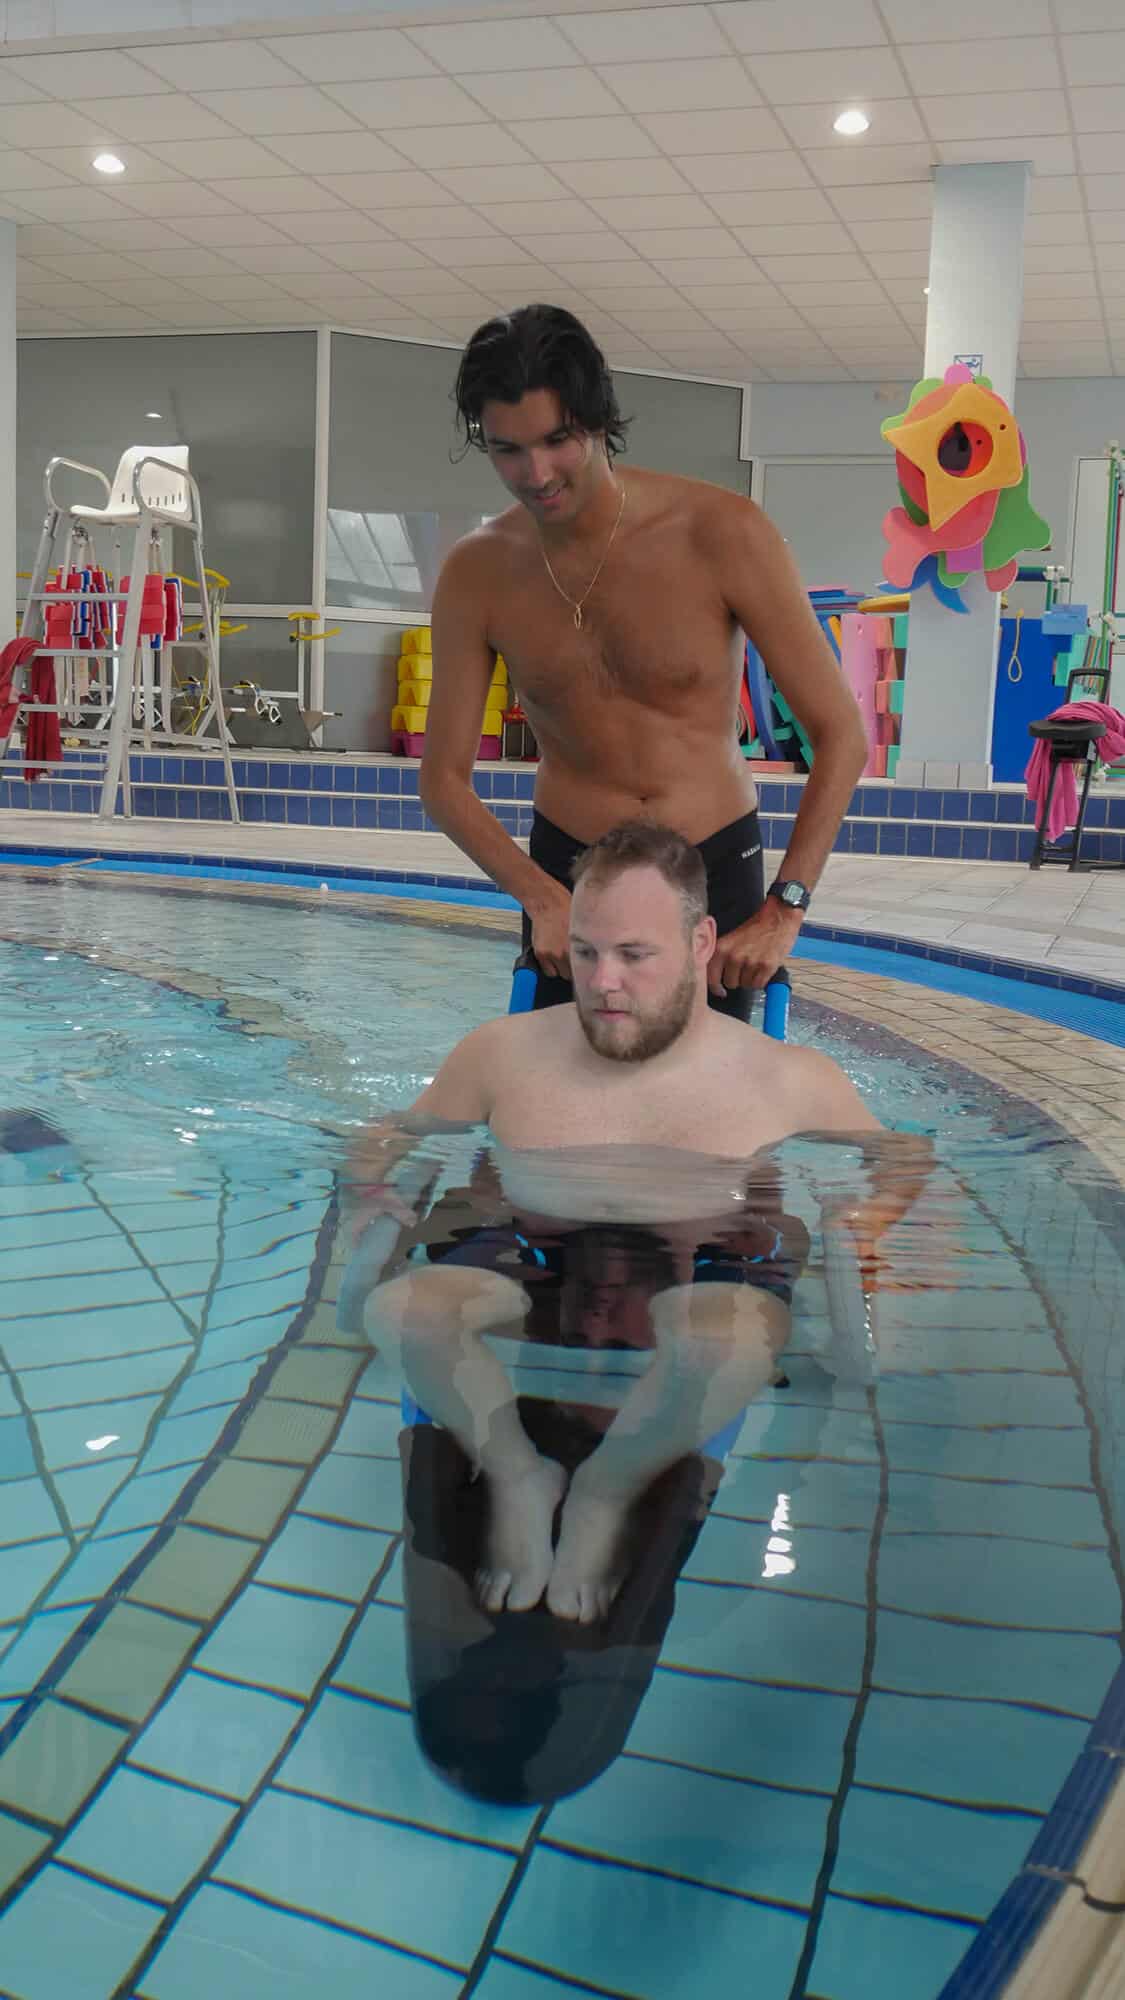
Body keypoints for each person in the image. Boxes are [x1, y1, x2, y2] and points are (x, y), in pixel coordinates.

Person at [351, 823, 930, 1632]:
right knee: (401, 1310)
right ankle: (518, 1474)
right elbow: (393, 1133)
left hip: (705, 1254)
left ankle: (606, 1488)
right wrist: (368, 1182)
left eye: (633, 954)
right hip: (527, 1244)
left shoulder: (784, 1079)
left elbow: (902, 1157)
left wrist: (868, 1219)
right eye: (584, 953)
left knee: (728, 1341)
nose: (603, 982)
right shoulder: (501, 1053)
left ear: (700, 943)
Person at [419, 303, 869, 1019]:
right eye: (507, 450)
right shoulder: (477, 573)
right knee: (557, 1111)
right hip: (569, 874)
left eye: (556, 439)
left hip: (712, 861)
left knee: (713, 1113)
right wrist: (539, 896)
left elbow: (841, 734)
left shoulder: (721, 533)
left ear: (597, 420)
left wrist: (785, 907)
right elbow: (443, 781)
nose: (535, 473)